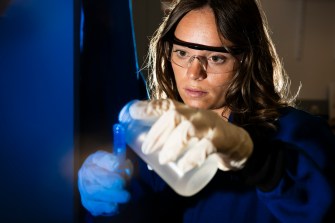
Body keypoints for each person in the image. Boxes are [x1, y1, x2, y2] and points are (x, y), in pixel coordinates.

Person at [77, 0, 335, 222]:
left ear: (247, 61)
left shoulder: (298, 132)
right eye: (182, 52)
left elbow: (322, 209)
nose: (193, 73)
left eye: (215, 58)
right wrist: (104, 199)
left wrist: (257, 160)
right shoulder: (151, 136)